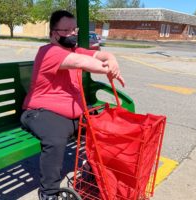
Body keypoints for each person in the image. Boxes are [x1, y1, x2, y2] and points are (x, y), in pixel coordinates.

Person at [20, 10, 125, 200]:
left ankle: (92, 174)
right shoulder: (48, 52)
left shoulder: (73, 50)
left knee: (103, 129)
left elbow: (102, 55)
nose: (72, 34)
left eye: (73, 29)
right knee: (56, 139)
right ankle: (48, 192)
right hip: (41, 112)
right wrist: (109, 69)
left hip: (72, 115)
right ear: (53, 33)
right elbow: (85, 62)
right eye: (66, 31)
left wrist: (112, 60)